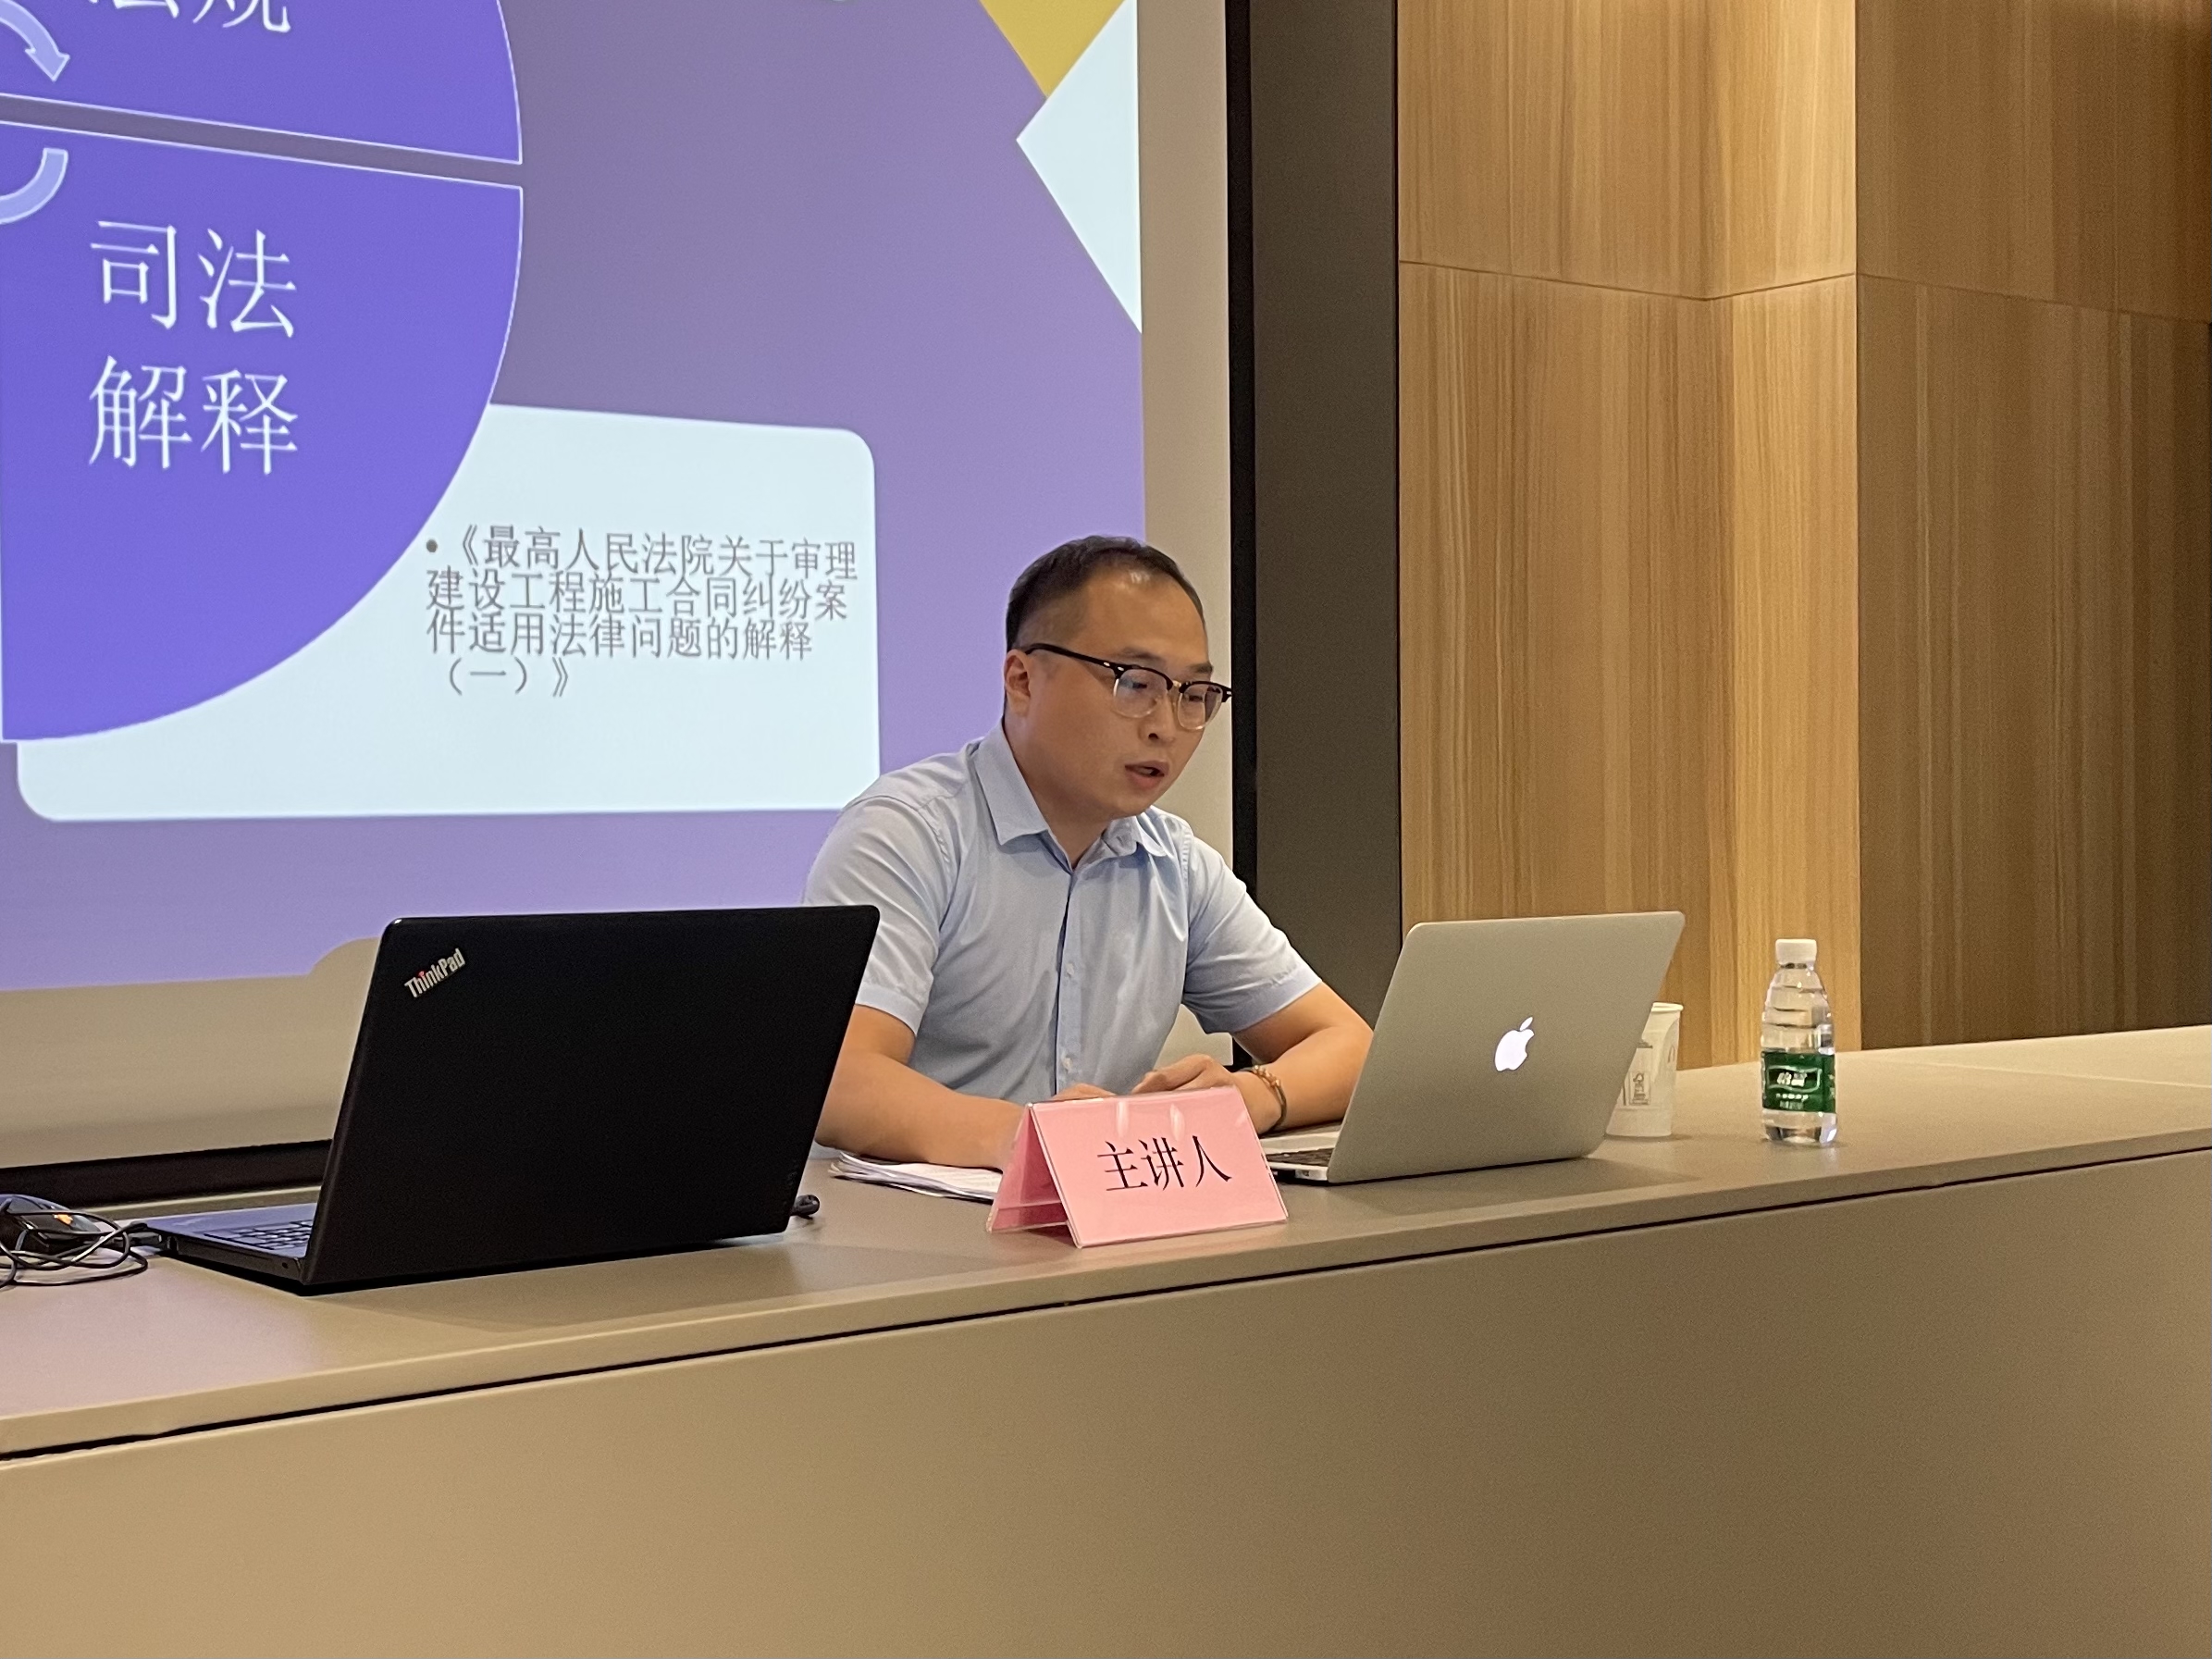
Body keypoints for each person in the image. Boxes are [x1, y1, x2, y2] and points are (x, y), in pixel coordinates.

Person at [805, 535, 1372, 1169]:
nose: (1165, 726)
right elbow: (842, 1080)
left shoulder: (1175, 864)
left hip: (1105, 1214)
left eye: (1192, 694)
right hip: (911, 1224)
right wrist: (1034, 1137)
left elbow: (1350, 1045)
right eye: (1135, 683)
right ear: (1022, 680)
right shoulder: (909, 833)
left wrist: (1248, 1097)